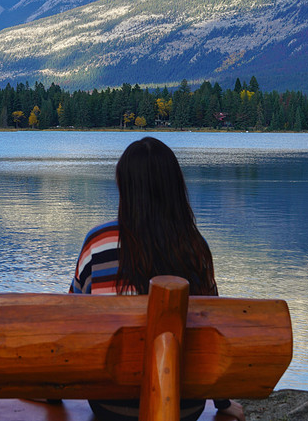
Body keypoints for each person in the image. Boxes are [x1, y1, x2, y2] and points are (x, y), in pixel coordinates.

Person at [70, 136, 245, 421]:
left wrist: (52, 390)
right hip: (184, 406)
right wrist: (222, 403)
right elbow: (210, 332)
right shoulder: (194, 249)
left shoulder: (98, 244)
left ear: (124, 186)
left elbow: (72, 324)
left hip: (111, 405)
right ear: (173, 187)